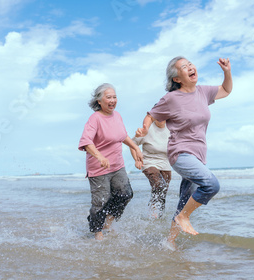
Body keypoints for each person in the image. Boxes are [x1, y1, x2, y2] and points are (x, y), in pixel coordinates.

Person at [136, 56, 232, 249]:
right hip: (180, 154)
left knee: (185, 200)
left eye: (190, 64)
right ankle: (183, 217)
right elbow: (151, 114)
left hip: (198, 156)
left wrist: (227, 71)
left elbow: (226, 90)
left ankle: (169, 243)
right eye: (183, 67)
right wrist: (145, 129)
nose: (190, 67)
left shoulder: (203, 92)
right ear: (177, 78)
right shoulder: (171, 98)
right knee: (211, 185)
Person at [79, 83, 143, 241]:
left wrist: (135, 146)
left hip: (117, 166)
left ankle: (107, 222)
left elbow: (122, 136)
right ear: (99, 101)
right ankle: (97, 232)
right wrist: (100, 157)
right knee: (101, 200)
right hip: (99, 167)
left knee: (125, 194)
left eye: (114, 97)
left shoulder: (117, 116)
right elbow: (86, 141)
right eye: (109, 97)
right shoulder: (95, 118)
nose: (113, 100)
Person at [131, 120, 171, 219]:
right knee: (159, 184)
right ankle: (152, 211)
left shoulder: (171, 128)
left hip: (165, 164)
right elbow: (133, 144)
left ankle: (159, 216)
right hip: (149, 162)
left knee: (163, 190)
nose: (160, 118)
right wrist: (137, 159)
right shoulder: (147, 128)